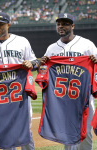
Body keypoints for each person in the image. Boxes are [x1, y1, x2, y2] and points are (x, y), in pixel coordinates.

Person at [0, 12, 39, 150]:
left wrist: (32, 64)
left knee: (25, 131)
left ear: (8, 25)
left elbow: (36, 62)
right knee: (5, 131)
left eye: (0, 24)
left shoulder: (22, 41)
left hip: (20, 95)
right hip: (1, 97)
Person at [40, 13, 97, 150]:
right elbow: (43, 71)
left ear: (72, 26)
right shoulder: (52, 49)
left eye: (65, 23)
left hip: (83, 98)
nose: (61, 26)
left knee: (86, 133)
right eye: (59, 23)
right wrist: (42, 64)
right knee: (66, 134)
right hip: (62, 100)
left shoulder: (86, 44)